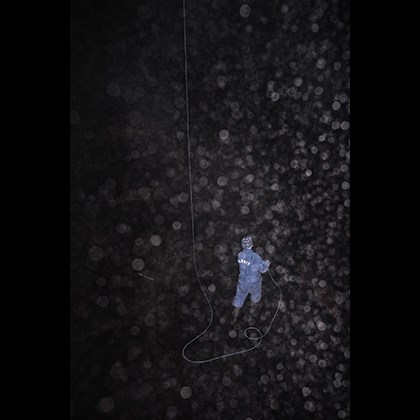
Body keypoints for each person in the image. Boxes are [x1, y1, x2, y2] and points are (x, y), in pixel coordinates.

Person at [231, 236, 270, 324]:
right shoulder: (255, 256)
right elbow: (263, 270)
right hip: (254, 283)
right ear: (251, 245)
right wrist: (267, 263)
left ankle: (234, 319)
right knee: (255, 298)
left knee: (238, 300)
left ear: (242, 245)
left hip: (242, 282)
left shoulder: (240, 255)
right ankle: (252, 315)